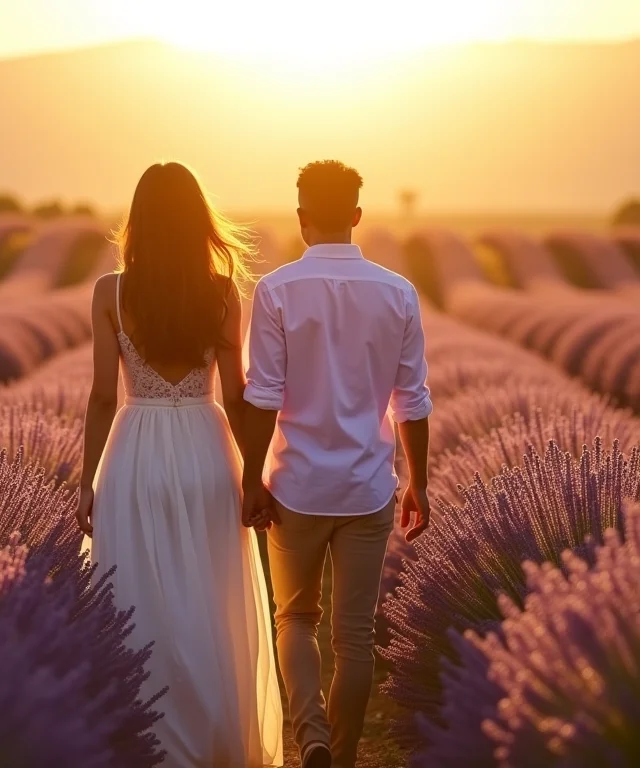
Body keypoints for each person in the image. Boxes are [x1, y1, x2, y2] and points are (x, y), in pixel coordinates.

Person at [76, 162, 283, 767]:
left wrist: (87, 483)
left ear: (138, 219)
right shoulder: (222, 292)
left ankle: (147, 742)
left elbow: (102, 397)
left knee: (136, 599)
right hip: (205, 448)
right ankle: (215, 736)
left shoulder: (110, 292)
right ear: (198, 221)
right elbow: (238, 395)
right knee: (211, 600)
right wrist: (253, 478)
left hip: (134, 453)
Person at [242, 160, 432, 768]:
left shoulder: (276, 290)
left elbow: (262, 396)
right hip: (368, 488)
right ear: (356, 214)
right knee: (355, 638)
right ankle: (343, 757)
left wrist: (251, 479)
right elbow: (411, 401)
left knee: (295, 619)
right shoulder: (398, 292)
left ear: (301, 217)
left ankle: (313, 738)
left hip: (295, 485)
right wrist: (419, 483)